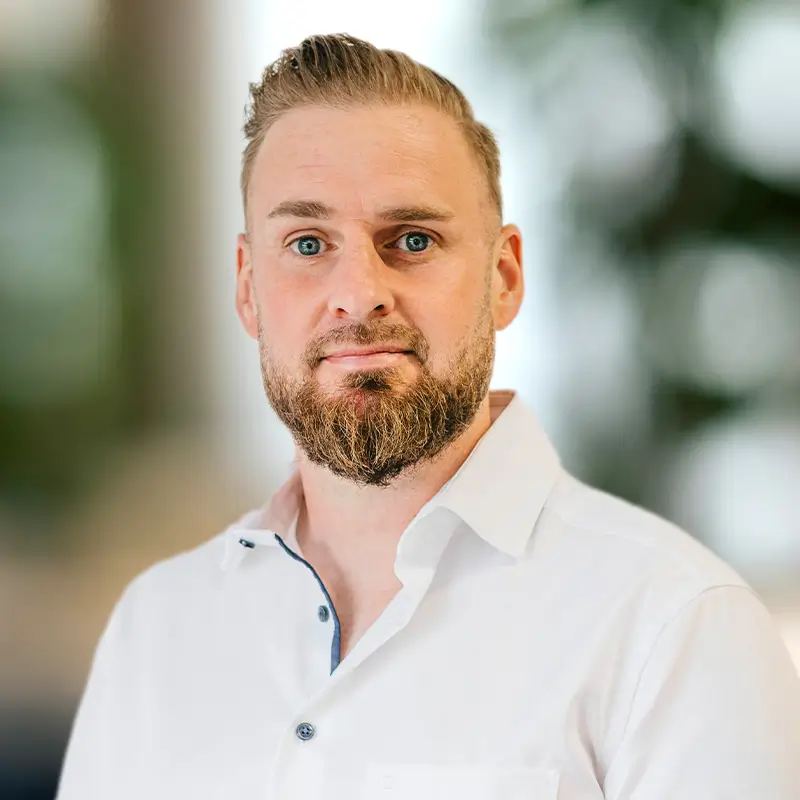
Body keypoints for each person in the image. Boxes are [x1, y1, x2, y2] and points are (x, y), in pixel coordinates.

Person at [56, 33, 800, 800]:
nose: (359, 293)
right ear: (248, 289)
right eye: (307, 243)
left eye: (412, 240)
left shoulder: (676, 629)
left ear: (504, 277)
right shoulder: (155, 629)